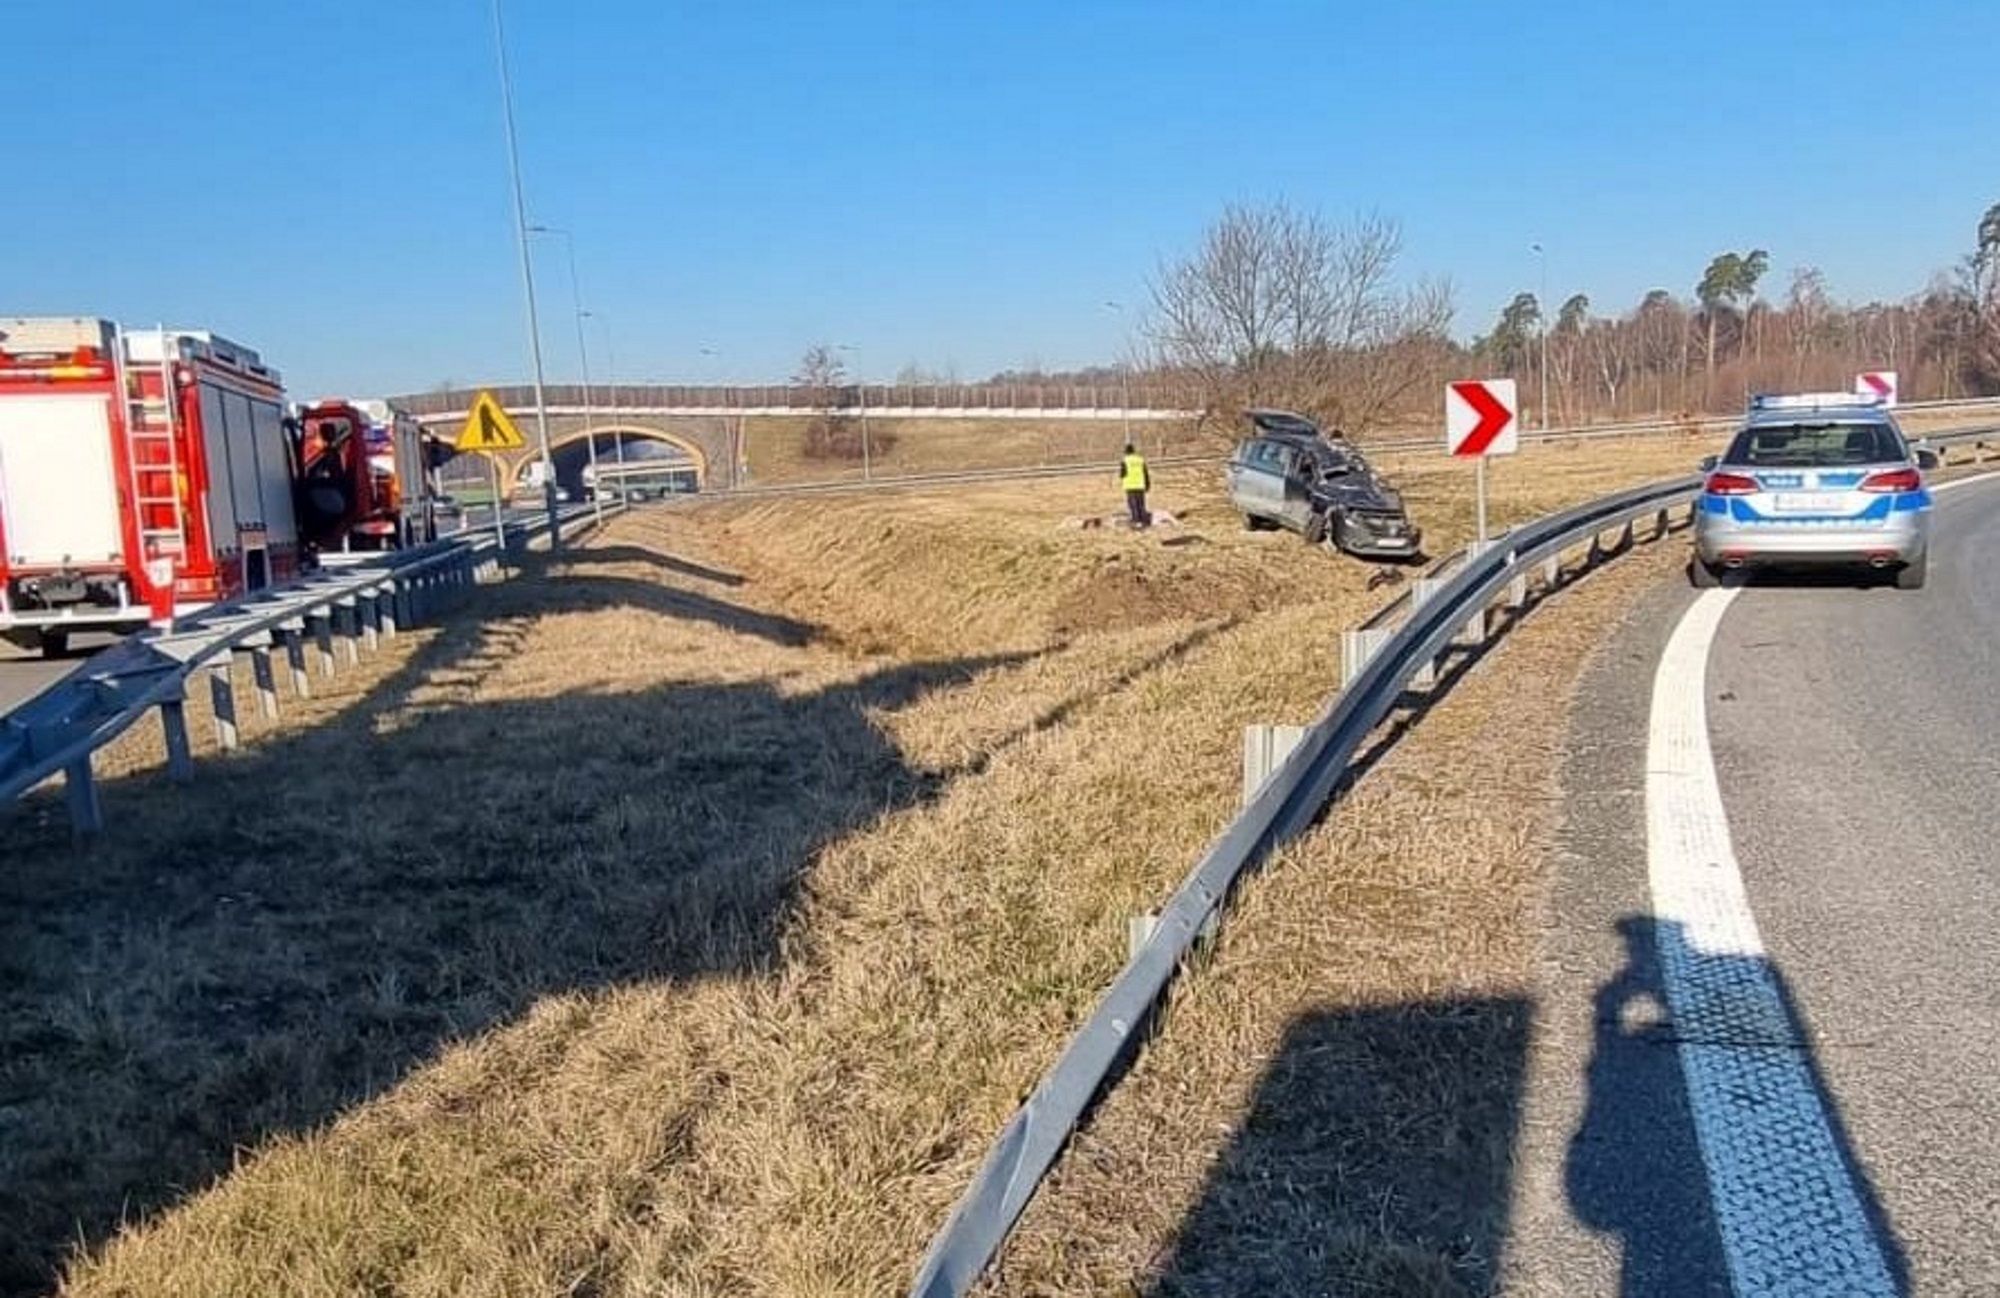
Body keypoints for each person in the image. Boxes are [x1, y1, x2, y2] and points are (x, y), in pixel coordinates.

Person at [1119, 442, 1151, 528]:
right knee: (1141, 504)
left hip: (1130, 486)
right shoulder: (1140, 459)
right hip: (1140, 485)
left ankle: (1136, 522)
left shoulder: (1125, 460)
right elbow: (1145, 473)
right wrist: (1148, 485)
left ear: (1126, 452)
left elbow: (1122, 474)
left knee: (1133, 505)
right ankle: (1144, 521)